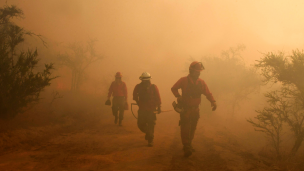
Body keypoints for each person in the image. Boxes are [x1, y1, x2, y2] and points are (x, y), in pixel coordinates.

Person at [171, 61, 217, 157]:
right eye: (196, 71)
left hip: (195, 109)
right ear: (191, 71)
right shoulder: (183, 80)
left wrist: (213, 101)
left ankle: (189, 143)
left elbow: (207, 93)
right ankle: (186, 145)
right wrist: (178, 96)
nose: (198, 73)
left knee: (192, 128)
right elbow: (174, 88)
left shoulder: (201, 82)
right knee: (185, 127)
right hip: (186, 109)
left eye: (199, 71)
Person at [133, 72, 161, 147]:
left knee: (151, 125)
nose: (145, 81)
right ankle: (149, 134)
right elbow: (135, 96)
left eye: (146, 80)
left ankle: (150, 140)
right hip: (143, 109)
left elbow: (158, 98)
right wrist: (138, 102)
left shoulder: (153, 87)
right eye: (144, 80)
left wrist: (159, 107)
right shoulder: (138, 87)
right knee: (141, 125)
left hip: (151, 110)